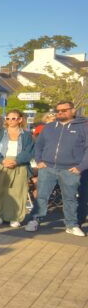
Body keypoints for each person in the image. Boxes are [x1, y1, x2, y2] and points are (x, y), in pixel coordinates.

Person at [26, 101, 88, 236]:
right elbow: (38, 145)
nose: (60, 112)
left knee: (70, 198)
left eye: (64, 110)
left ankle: (71, 224)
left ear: (73, 110)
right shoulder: (48, 127)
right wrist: (39, 160)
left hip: (70, 170)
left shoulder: (83, 127)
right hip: (47, 168)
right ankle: (35, 220)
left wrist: (80, 167)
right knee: (41, 196)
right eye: (58, 110)